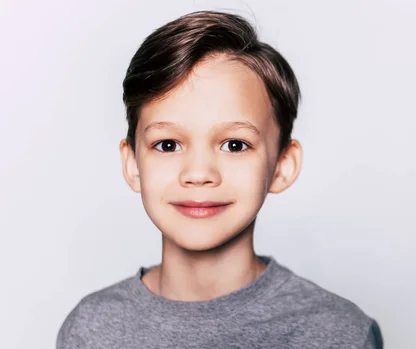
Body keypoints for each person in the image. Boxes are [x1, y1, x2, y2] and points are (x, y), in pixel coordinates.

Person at [56, 10, 383, 349]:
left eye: (234, 145)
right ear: (133, 164)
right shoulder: (90, 329)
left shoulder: (340, 333)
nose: (199, 174)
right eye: (167, 145)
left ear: (283, 165)